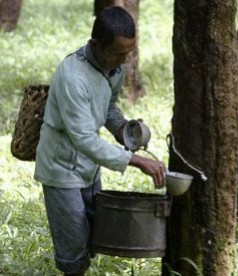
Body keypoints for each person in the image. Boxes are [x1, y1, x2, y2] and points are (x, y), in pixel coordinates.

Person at [34, 6, 165, 276]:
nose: (123, 61)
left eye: (127, 53)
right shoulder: (73, 77)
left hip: (89, 168)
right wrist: (135, 160)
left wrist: (124, 130)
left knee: (93, 235)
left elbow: (108, 108)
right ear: (95, 44)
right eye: (117, 53)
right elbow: (83, 138)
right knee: (73, 249)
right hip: (61, 170)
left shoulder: (112, 70)